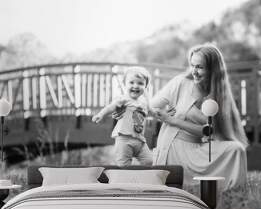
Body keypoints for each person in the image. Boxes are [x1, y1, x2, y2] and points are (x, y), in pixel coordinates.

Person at [150, 43, 248, 190]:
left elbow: (208, 131)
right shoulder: (180, 83)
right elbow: (152, 106)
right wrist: (163, 114)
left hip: (197, 148)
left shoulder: (219, 95)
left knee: (236, 149)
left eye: (200, 67)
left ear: (213, 70)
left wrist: (173, 120)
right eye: (192, 65)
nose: (194, 71)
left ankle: (233, 187)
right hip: (174, 147)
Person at [92, 66, 153, 166]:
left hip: (140, 140)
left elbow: (152, 112)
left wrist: (166, 114)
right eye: (131, 82)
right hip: (124, 139)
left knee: (148, 161)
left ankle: (140, 179)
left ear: (146, 87)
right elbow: (111, 107)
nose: (136, 86)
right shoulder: (124, 99)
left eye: (140, 83)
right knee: (123, 165)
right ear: (125, 84)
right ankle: (124, 180)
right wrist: (101, 114)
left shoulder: (144, 102)